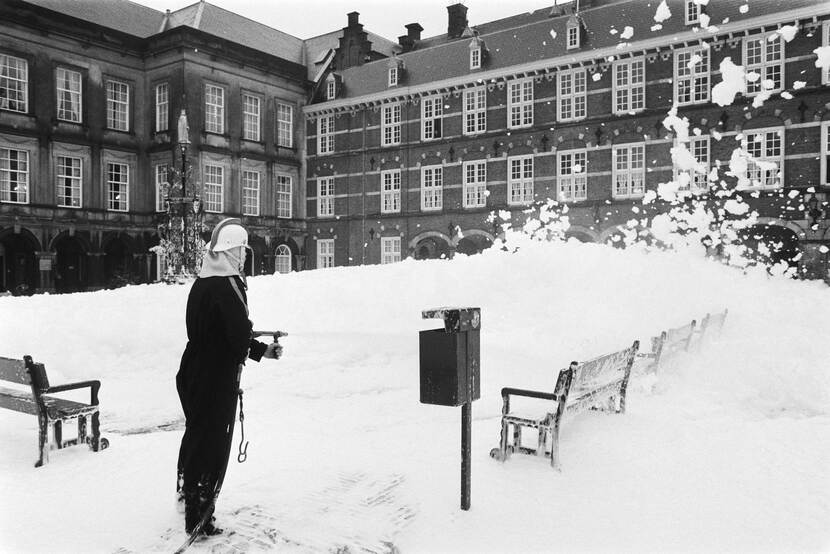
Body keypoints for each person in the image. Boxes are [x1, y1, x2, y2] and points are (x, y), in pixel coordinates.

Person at [175, 218, 282, 535]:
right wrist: (260, 349)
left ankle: (186, 495)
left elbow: (216, 330)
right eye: (242, 250)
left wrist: (256, 348)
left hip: (193, 368)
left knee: (196, 437)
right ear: (231, 252)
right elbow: (236, 334)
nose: (245, 256)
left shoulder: (202, 282)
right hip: (215, 375)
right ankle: (199, 516)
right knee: (212, 445)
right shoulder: (229, 285)